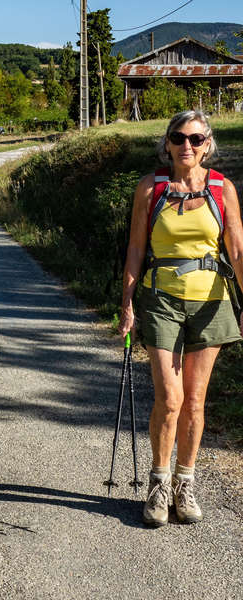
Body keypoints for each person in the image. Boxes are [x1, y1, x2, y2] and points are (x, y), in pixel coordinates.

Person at [119, 110, 243, 527]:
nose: (186, 145)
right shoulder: (149, 189)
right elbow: (136, 248)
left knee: (194, 400)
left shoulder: (223, 189)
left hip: (211, 301)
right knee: (169, 399)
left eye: (195, 138)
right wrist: (127, 303)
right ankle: (159, 482)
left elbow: (238, 252)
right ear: (167, 144)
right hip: (160, 299)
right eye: (178, 137)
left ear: (207, 143)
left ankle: (184, 483)